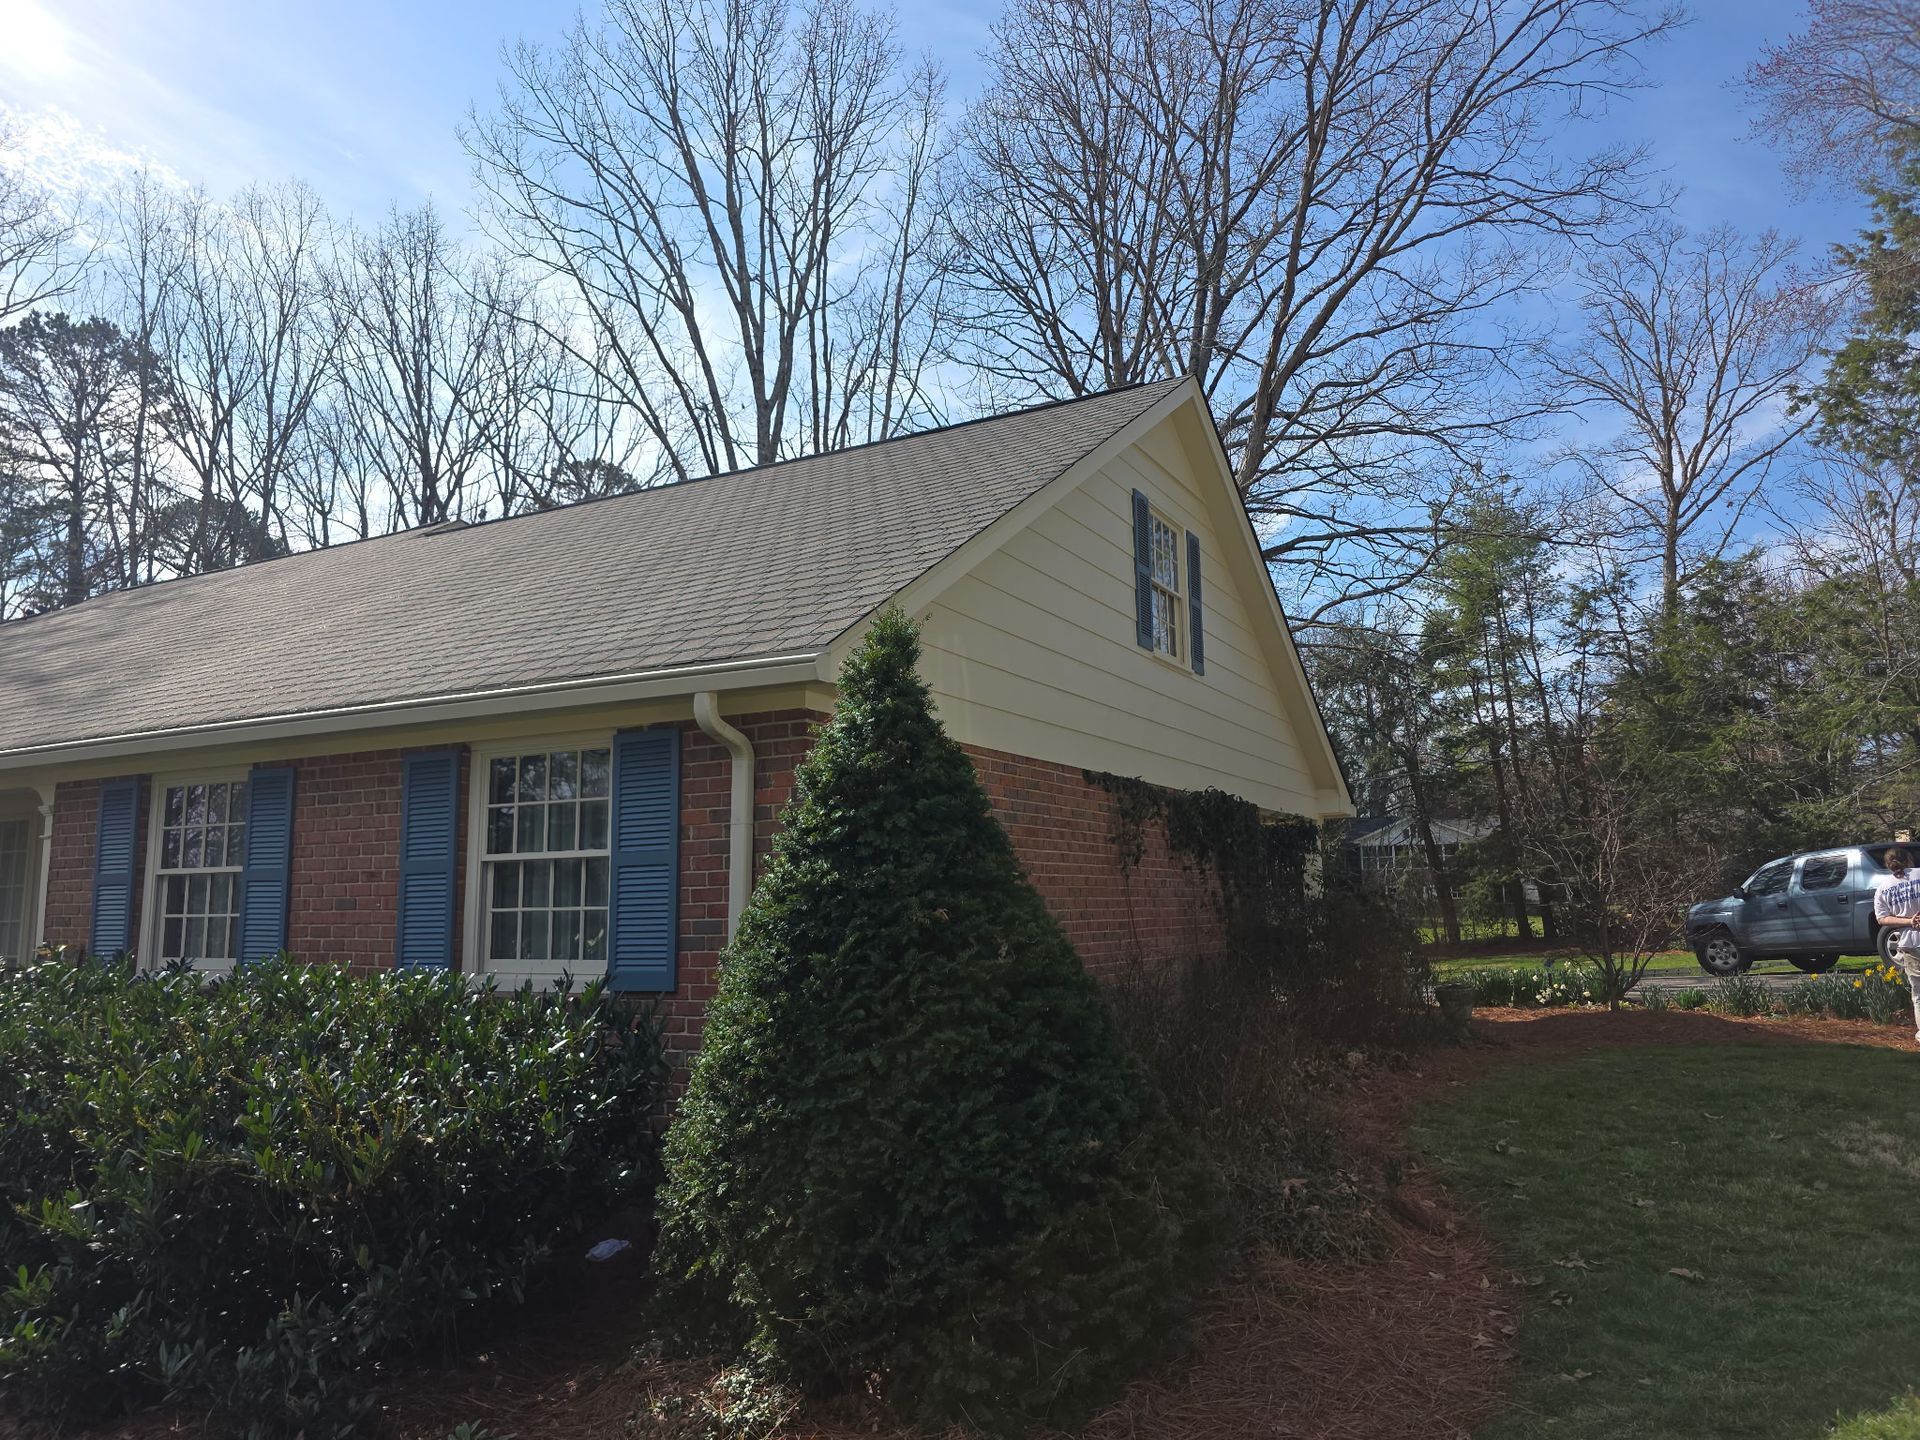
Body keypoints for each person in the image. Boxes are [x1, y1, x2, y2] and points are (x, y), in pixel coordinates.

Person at [1871, 848, 1920, 1045]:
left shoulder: (1883, 888)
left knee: (1918, 992)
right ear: (1908, 858)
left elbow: (1882, 918)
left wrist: (1909, 922)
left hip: (1910, 943)